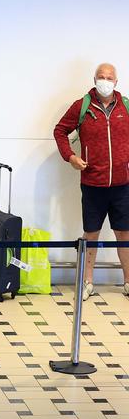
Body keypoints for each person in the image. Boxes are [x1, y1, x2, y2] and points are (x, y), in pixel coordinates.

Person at [54, 63, 129, 299]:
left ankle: (128, 281)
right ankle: (87, 281)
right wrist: (71, 157)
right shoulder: (82, 106)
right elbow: (60, 131)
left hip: (122, 185)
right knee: (91, 234)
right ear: (94, 79)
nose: (105, 81)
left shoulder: (125, 106)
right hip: (93, 184)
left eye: (109, 77)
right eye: (101, 77)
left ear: (116, 82)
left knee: (124, 235)